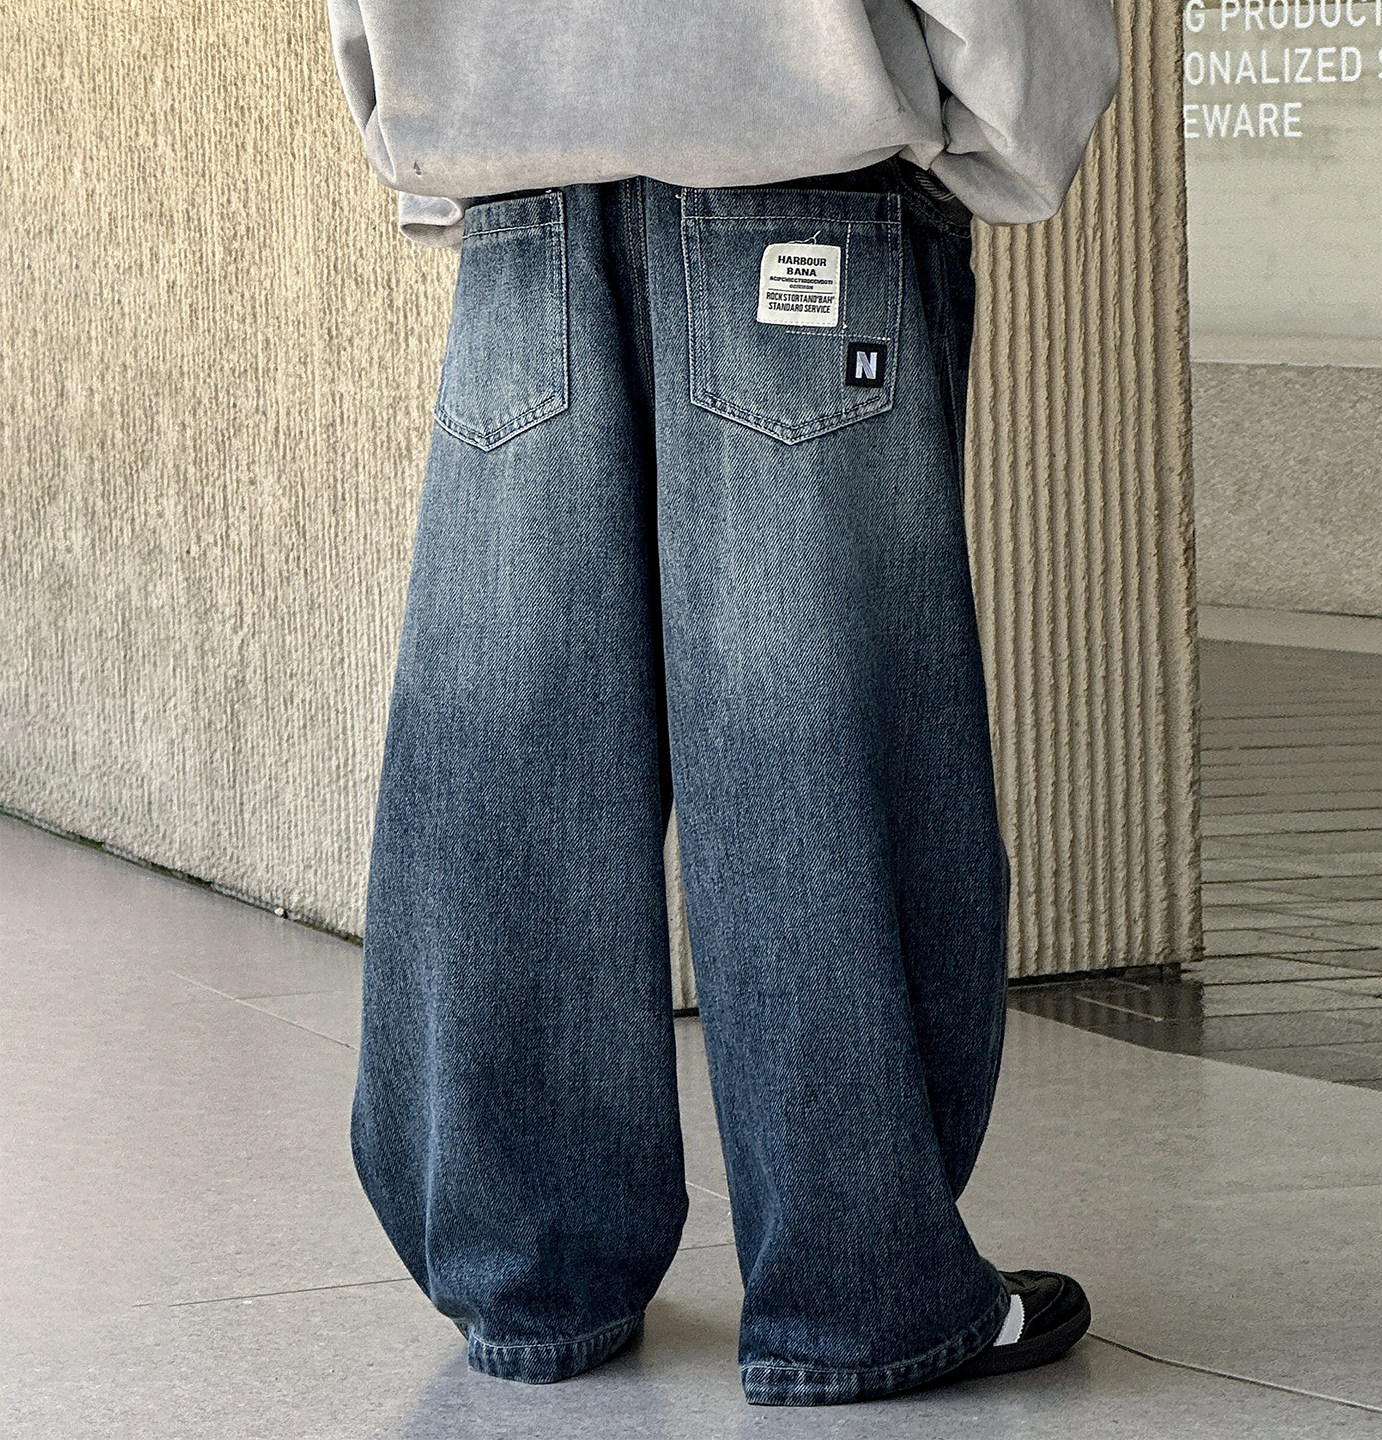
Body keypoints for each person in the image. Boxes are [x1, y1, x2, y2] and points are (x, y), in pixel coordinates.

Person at [325, 0, 1119, 1409]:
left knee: (512, 744)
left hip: (522, 201)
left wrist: (434, 110)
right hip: (803, 172)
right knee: (818, 753)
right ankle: (858, 1291)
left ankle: (529, 1274)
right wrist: (1004, 131)